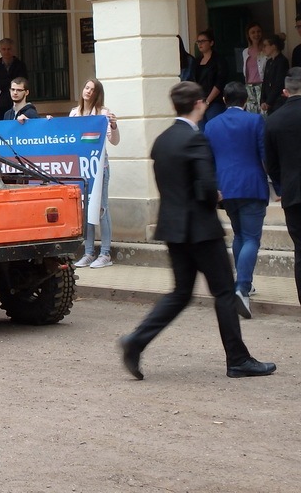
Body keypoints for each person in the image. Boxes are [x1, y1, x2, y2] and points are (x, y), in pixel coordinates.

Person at [118, 81, 275, 380]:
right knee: (225, 292)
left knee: (180, 293)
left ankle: (136, 341)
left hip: (173, 227)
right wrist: (214, 194)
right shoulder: (195, 139)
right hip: (201, 230)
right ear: (199, 104)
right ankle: (238, 359)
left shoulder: (163, 140)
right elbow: (204, 187)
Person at [203, 82, 268, 318]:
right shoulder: (255, 120)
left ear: (224, 100)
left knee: (240, 235)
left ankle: (243, 283)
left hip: (227, 187)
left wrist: (215, 187)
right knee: (251, 237)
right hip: (252, 185)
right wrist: (276, 184)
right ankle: (242, 288)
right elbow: (265, 155)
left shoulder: (212, 124)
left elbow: (208, 160)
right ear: (245, 101)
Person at [70, 79, 121, 269]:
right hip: (82, 168)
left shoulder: (103, 113)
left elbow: (114, 141)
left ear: (97, 94)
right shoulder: (74, 113)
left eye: (92, 89)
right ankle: (89, 252)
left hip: (100, 168)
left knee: (101, 209)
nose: (88, 92)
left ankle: (105, 253)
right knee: (85, 210)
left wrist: (114, 126)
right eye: (86, 88)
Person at [264, 67, 301, 307]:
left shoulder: (274, 120)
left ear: (285, 91)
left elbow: (271, 163)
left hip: (293, 192)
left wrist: (282, 185)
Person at [0, 38, 28, 121]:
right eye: (4, 49)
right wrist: (9, 81)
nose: (6, 52)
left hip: (18, 103)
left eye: (9, 49)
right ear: (0, 50)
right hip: (0, 104)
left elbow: (23, 82)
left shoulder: (20, 65)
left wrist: (2, 83)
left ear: (13, 50)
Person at [194, 29, 227, 128]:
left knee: (214, 128)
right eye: (198, 42)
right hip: (199, 101)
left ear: (211, 43)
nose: (200, 44)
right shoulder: (197, 61)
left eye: (203, 41)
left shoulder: (219, 60)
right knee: (201, 130)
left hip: (214, 101)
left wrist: (208, 101)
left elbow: (220, 82)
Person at [260, 34, 289, 115]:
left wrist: (268, 102)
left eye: (265, 46)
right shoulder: (269, 62)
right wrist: (262, 100)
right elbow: (265, 82)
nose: (263, 48)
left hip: (278, 101)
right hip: (268, 101)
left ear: (273, 46)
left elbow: (279, 83)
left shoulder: (282, 61)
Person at [241, 22, 266, 113]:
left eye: (258, 31)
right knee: (251, 113)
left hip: (262, 85)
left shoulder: (266, 49)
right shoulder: (245, 52)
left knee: (263, 113)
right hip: (249, 87)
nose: (256, 34)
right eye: (253, 32)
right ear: (248, 35)